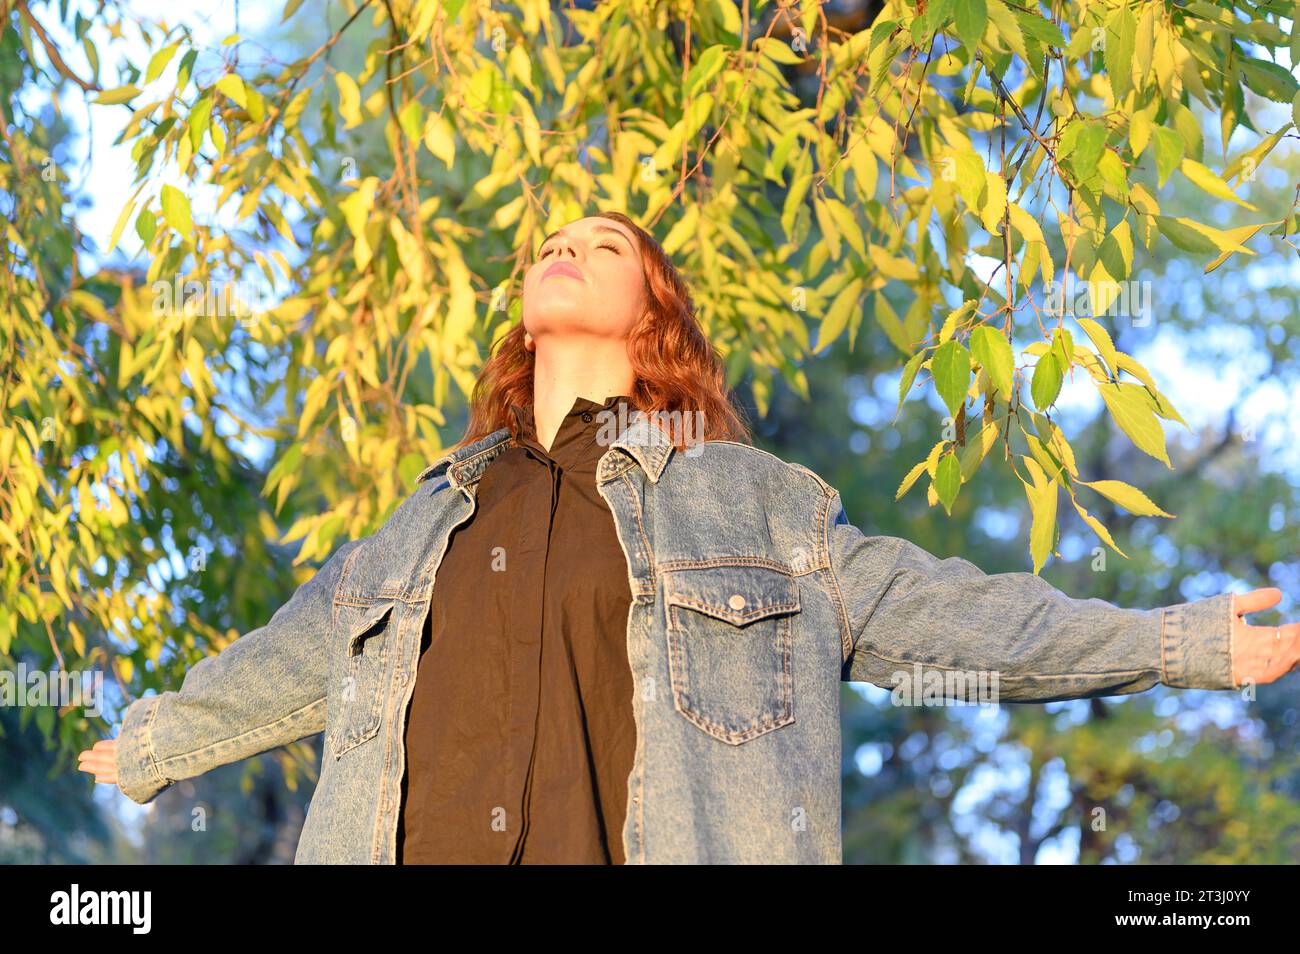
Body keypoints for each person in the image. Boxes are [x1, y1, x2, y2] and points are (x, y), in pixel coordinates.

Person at [79, 211, 1298, 864]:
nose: (563, 246)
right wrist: (152, 743)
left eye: (603, 245)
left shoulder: (748, 501)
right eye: (551, 239)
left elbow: (951, 616)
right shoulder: (424, 519)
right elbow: (292, 658)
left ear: (653, 310)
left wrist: (1174, 641)